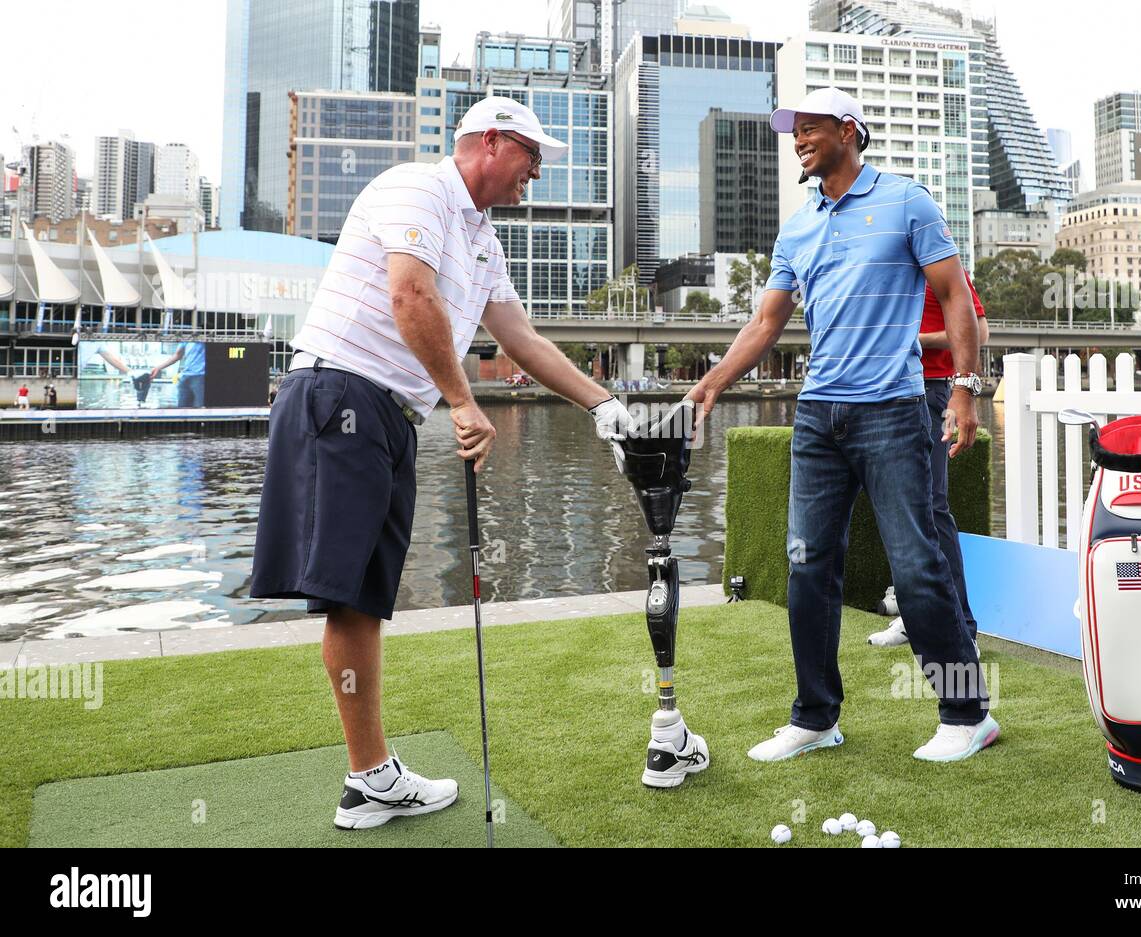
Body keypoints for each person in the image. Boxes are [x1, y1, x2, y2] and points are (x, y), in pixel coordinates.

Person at [249, 96, 637, 830]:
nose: (538, 172)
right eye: (531, 155)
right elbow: (409, 292)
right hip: (342, 395)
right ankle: (367, 777)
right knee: (347, 595)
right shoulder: (417, 187)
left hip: (386, 414)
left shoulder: (483, 237)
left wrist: (604, 406)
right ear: (489, 143)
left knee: (367, 595)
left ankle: (370, 779)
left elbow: (521, 337)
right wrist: (462, 401)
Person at [687, 88, 998, 764]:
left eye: (810, 127)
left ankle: (968, 712)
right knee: (807, 566)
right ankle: (816, 715)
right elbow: (765, 322)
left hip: (892, 408)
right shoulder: (797, 227)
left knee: (917, 565)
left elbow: (954, 298)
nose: (797, 139)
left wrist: (965, 392)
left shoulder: (907, 201)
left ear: (849, 130)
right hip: (817, 416)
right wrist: (713, 380)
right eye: (792, 130)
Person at [868, 273, 988, 651]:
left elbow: (979, 330)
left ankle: (963, 628)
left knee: (933, 506)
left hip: (930, 391)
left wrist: (915, 340)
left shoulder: (938, 260)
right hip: (883, 393)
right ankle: (913, 616)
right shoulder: (881, 262)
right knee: (899, 507)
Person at [151, 342, 206, 407]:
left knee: (200, 407)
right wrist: (158, 368)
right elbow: (178, 355)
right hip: (185, 376)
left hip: (200, 375)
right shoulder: (186, 338)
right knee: (182, 408)